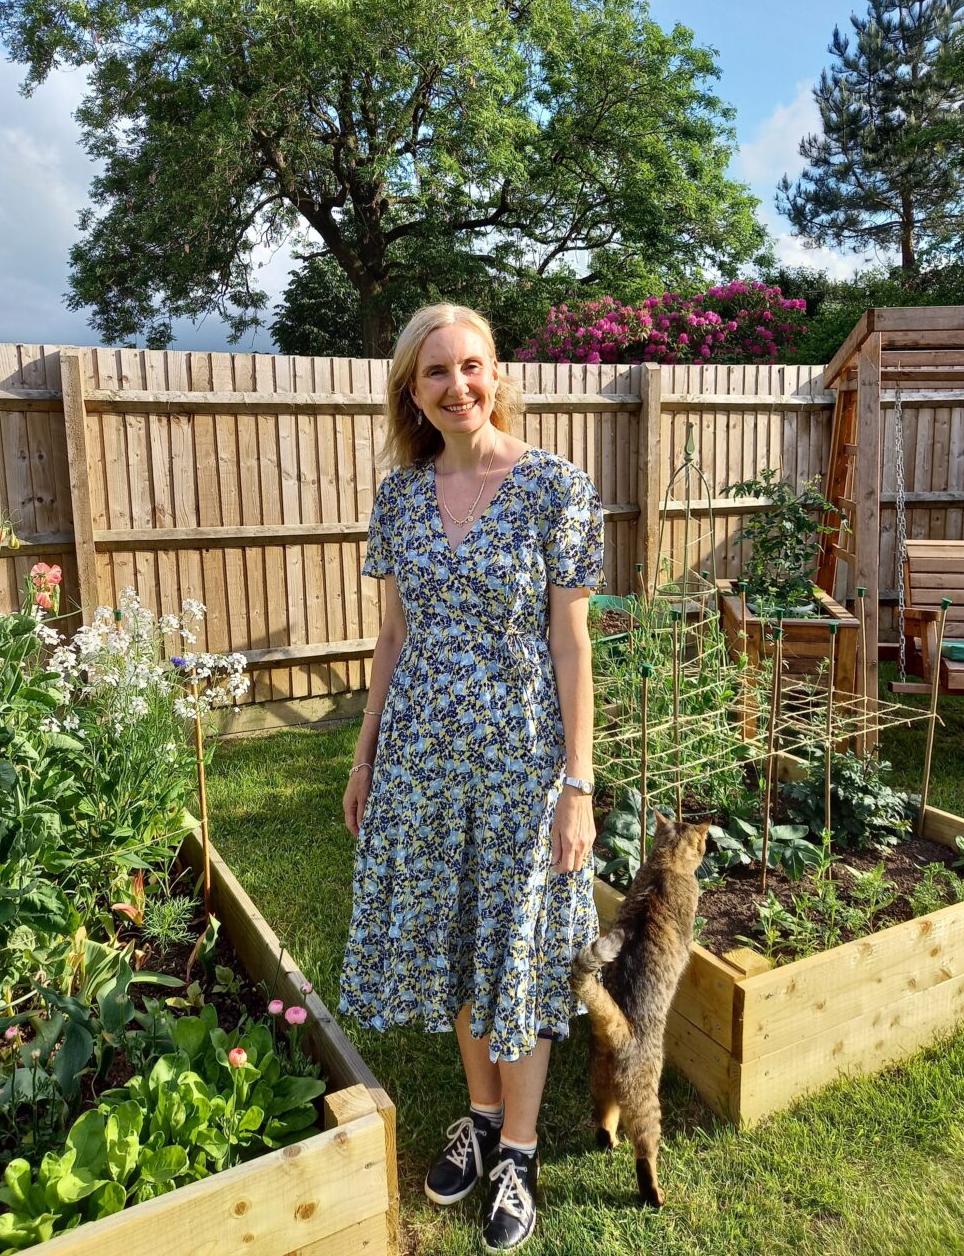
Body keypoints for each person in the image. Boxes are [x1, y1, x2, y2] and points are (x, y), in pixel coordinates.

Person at [339, 303, 604, 1253]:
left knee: (518, 946)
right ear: (411, 391)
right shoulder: (399, 498)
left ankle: (519, 1152)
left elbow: (572, 646)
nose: (459, 385)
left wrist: (578, 784)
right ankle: (482, 1117)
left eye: (473, 365)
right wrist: (365, 751)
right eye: (437, 371)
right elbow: (393, 635)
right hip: (419, 758)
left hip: (522, 763)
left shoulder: (555, 487)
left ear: (497, 374)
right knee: (460, 938)